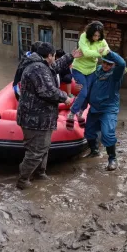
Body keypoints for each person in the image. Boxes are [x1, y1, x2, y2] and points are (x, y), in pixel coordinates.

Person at [16, 43, 81, 190]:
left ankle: (40, 173)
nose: (54, 59)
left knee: (43, 148)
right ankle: (23, 180)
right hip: (34, 119)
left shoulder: (40, 65)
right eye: (54, 56)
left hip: (42, 117)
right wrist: (66, 98)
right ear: (49, 55)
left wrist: (70, 56)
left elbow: (55, 67)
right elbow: (48, 91)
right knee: (36, 151)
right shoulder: (37, 68)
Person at [84, 51, 126, 171]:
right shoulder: (97, 70)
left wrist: (109, 52)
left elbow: (122, 63)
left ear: (113, 65)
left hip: (108, 108)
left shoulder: (116, 74)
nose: (106, 66)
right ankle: (94, 151)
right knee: (89, 132)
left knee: (107, 133)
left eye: (109, 64)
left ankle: (112, 158)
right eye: (105, 63)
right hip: (94, 107)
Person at [66, 21, 110, 131]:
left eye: (99, 35)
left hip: (91, 70)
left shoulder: (102, 41)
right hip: (79, 69)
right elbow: (86, 52)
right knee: (83, 92)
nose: (97, 38)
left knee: (89, 94)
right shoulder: (83, 37)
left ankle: (80, 113)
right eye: (95, 35)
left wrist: (97, 52)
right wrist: (99, 52)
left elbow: (107, 50)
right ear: (90, 33)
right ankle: (72, 113)